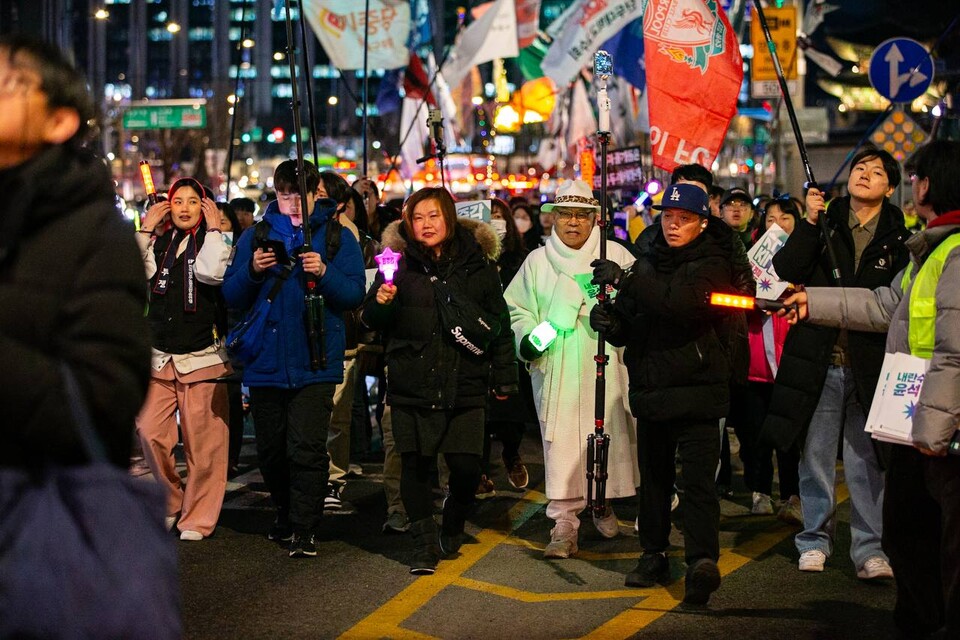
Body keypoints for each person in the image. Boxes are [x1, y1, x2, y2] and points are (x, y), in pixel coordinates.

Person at [0, 34, 177, 636]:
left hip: (32, 528)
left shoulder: (91, 235)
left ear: (58, 120)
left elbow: (101, 400)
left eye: (6, 83)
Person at [778, 139, 960, 638]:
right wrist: (811, 300)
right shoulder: (929, 247)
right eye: (860, 168)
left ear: (929, 186)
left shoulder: (947, 250)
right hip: (915, 416)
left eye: (913, 176)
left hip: (932, 423)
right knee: (913, 533)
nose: (867, 176)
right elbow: (884, 306)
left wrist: (933, 430)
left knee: (930, 534)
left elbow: (954, 350)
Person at [761, 146, 910, 578]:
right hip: (819, 359)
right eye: (859, 167)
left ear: (890, 187)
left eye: (876, 171)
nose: (864, 174)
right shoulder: (824, 222)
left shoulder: (900, 237)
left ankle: (869, 550)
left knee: (866, 463)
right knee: (816, 457)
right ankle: (814, 539)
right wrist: (808, 222)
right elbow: (786, 267)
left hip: (871, 365)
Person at [361, 187, 517, 575]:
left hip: (465, 382)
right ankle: (423, 544)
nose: (426, 225)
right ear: (407, 223)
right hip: (411, 380)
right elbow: (370, 321)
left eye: (433, 216)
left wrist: (505, 378)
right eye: (417, 217)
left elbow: (498, 324)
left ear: (449, 217)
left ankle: (453, 519)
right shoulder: (394, 263)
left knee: (466, 467)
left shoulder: (477, 265)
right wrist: (380, 303)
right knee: (415, 464)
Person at [591, 182, 735, 606]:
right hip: (653, 387)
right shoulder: (649, 260)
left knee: (697, 484)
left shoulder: (713, 262)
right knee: (653, 481)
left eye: (684, 219)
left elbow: (680, 305)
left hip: (698, 389)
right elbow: (638, 322)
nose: (673, 226)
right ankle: (652, 554)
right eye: (668, 217)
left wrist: (627, 278)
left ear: (702, 223)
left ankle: (701, 562)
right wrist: (613, 324)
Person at [223, 159, 365, 558]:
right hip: (266, 361)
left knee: (306, 447)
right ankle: (284, 511)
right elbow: (232, 295)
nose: (293, 203)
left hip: (316, 359)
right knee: (271, 450)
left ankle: (305, 526)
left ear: (316, 191)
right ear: (276, 193)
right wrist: (252, 269)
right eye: (285, 194)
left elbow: (354, 293)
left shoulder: (337, 236)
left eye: (300, 194)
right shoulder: (257, 235)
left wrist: (324, 272)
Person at [505, 180, 639, 560]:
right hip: (559, 364)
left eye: (582, 215)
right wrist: (529, 340)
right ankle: (563, 521)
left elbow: (640, 303)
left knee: (607, 433)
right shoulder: (536, 262)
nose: (573, 223)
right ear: (553, 218)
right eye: (565, 214)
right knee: (562, 442)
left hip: (607, 360)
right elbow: (517, 311)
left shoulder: (616, 256)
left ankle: (602, 500)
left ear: (596, 219)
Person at [135, 178, 232, 541]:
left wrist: (215, 228)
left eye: (194, 201)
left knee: (203, 444)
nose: (185, 208)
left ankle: (198, 517)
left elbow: (210, 272)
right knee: (149, 431)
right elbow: (133, 271)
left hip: (202, 356)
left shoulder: (215, 241)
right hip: (159, 356)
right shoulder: (160, 242)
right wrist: (146, 226)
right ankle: (169, 502)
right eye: (178, 201)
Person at [740, 196, 802, 523]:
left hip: (790, 360)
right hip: (756, 363)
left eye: (785, 217)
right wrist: (753, 303)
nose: (776, 223)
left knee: (789, 435)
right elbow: (735, 299)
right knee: (756, 433)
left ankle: (791, 494)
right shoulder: (750, 260)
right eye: (770, 218)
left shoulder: (807, 257)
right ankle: (759, 491)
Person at [482, 197, 533, 495]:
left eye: (500, 216)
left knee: (511, 408)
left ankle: (512, 453)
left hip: (509, 340)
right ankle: (479, 471)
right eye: (490, 217)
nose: (495, 222)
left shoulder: (521, 260)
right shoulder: (472, 259)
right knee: (480, 414)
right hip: (479, 340)